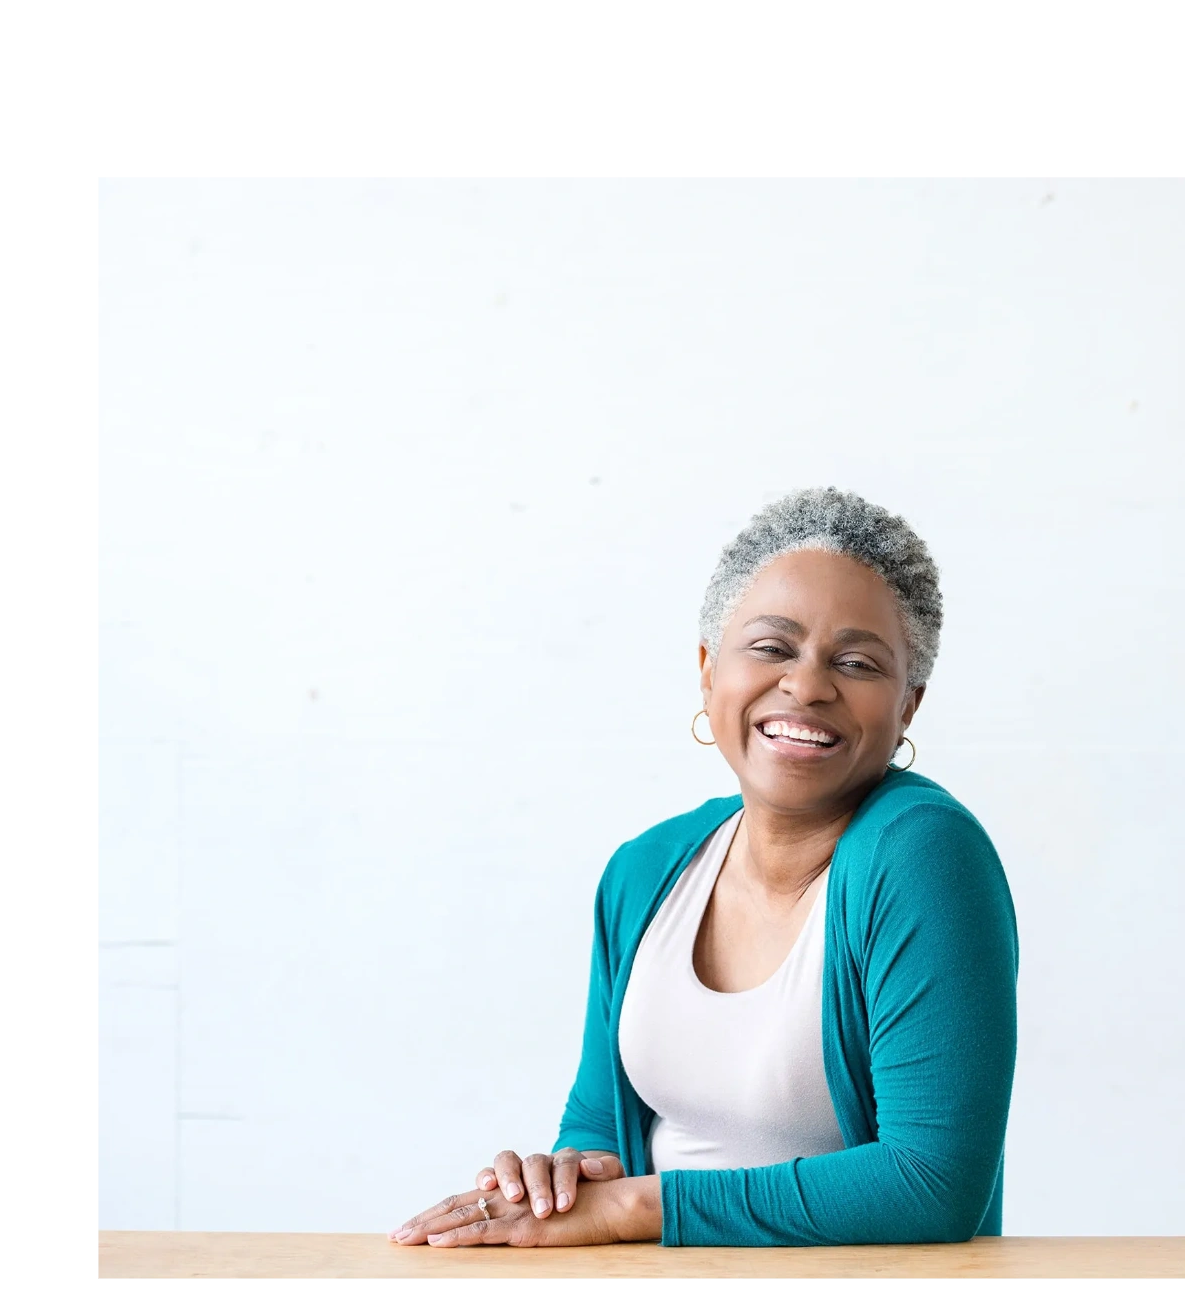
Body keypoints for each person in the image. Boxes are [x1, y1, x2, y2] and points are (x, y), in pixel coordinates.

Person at [391, 488, 1018, 1248]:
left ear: (908, 707)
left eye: (855, 662)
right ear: (706, 669)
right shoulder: (647, 870)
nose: (808, 684)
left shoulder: (921, 855)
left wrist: (638, 1209)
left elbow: (932, 1183)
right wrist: (554, 1186)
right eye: (771, 647)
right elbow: (599, 1128)